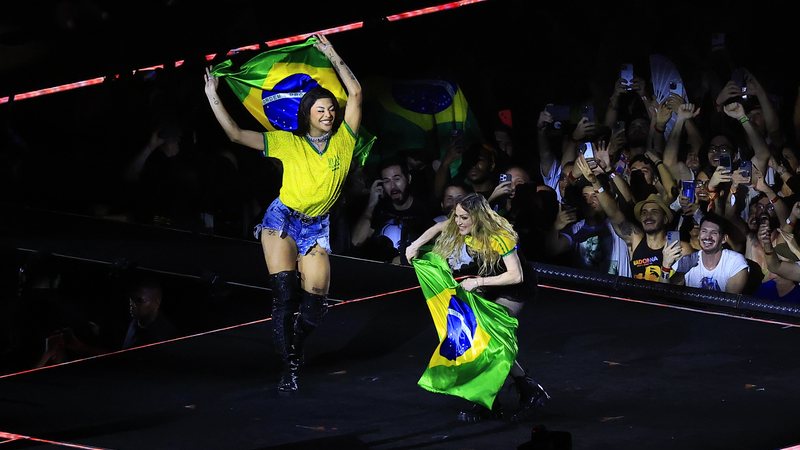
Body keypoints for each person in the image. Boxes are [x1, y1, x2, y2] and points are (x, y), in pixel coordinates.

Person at [203, 33, 362, 394]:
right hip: (282, 222)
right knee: (285, 296)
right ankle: (289, 367)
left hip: (316, 226)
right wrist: (213, 95)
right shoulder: (287, 141)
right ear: (307, 114)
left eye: (330, 109)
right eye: (320, 109)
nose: (328, 113)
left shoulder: (344, 139)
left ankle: (296, 344)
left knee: (316, 304)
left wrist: (331, 52)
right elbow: (235, 134)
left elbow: (355, 93)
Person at [405, 193, 549, 423]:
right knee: (477, 338)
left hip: (514, 287)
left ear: (478, 218)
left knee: (491, 339)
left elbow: (516, 275)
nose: (458, 221)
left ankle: (524, 392)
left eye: (464, 217)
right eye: (457, 216)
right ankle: (498, 397)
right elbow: (439, 227)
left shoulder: (499, 236)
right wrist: (415, 245)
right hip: (489, 281)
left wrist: (478, 282)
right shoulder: (460, 225)